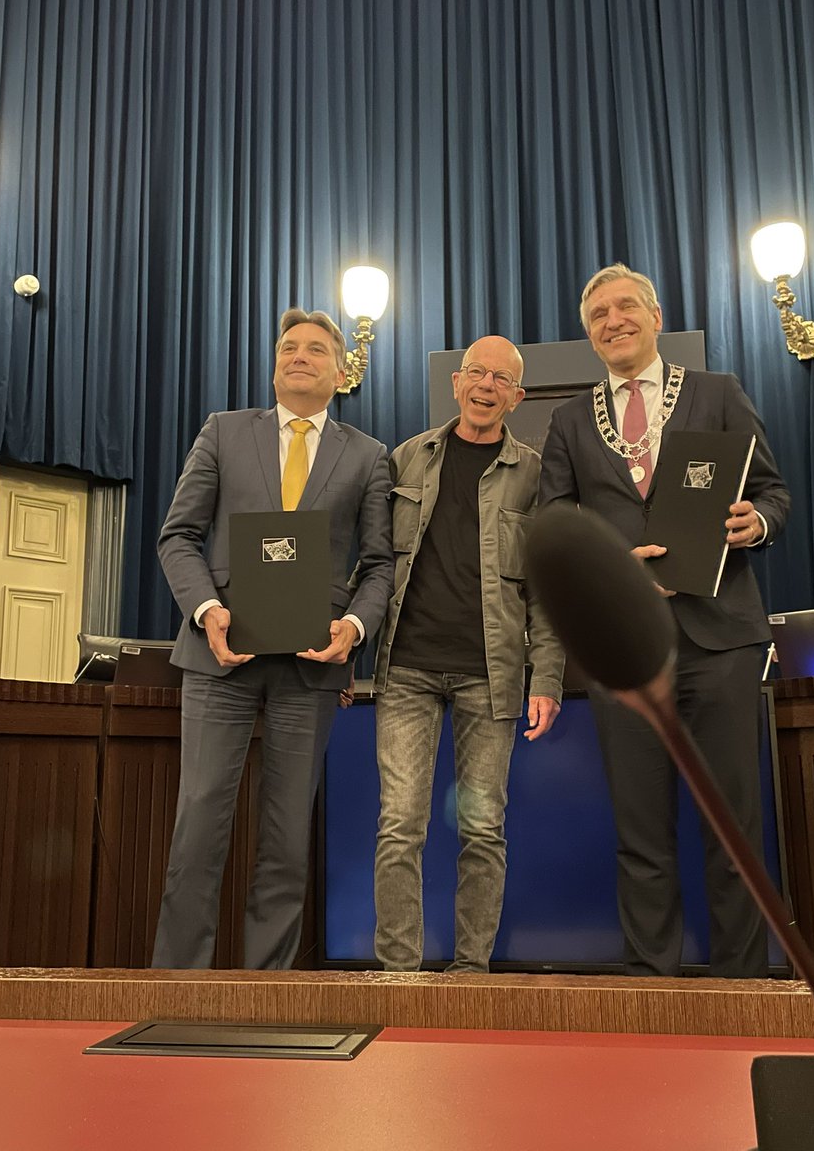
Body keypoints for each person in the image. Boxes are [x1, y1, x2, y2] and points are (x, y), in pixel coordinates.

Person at [539, 264, 790, 978]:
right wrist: (611, 559)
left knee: (733, 829)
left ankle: (742, 990)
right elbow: (554, 522)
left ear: (655, 316)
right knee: (640, 832)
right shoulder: (569, 420)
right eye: (598, 316)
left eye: (625, 308)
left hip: (721, 639)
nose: (613, 321)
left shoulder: (717, 393)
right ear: (589, 335)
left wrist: (756, 522)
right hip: (623, 651)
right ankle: (656, 993)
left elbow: (772, 492)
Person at [152, 308, 394, 970]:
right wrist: (206, 607)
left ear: (342, 372)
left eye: (316, 349)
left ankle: (268, 991)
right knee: (199, 824)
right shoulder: (224, 433)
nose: (299, 356)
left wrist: (354, 628)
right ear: (275, 362)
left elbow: (379, 564)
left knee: (287, 839)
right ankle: (176, 987)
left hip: (312, 666)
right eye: (289, 347)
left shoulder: (370, 456)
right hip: (220, 656)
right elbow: (178, 536)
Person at [373, 335, 565, 973]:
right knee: (401, 825)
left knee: (482, 831)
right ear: (457, 383)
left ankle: (470, 973)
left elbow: (548, 589)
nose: (486, 386)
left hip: (494, 676)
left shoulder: (534, 473)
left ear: (517, 395)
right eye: (476, 373)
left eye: (501, 378)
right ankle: (398, 976)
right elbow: (371, 569)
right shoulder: (407, 460)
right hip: (405, 670)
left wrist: (549, 679)